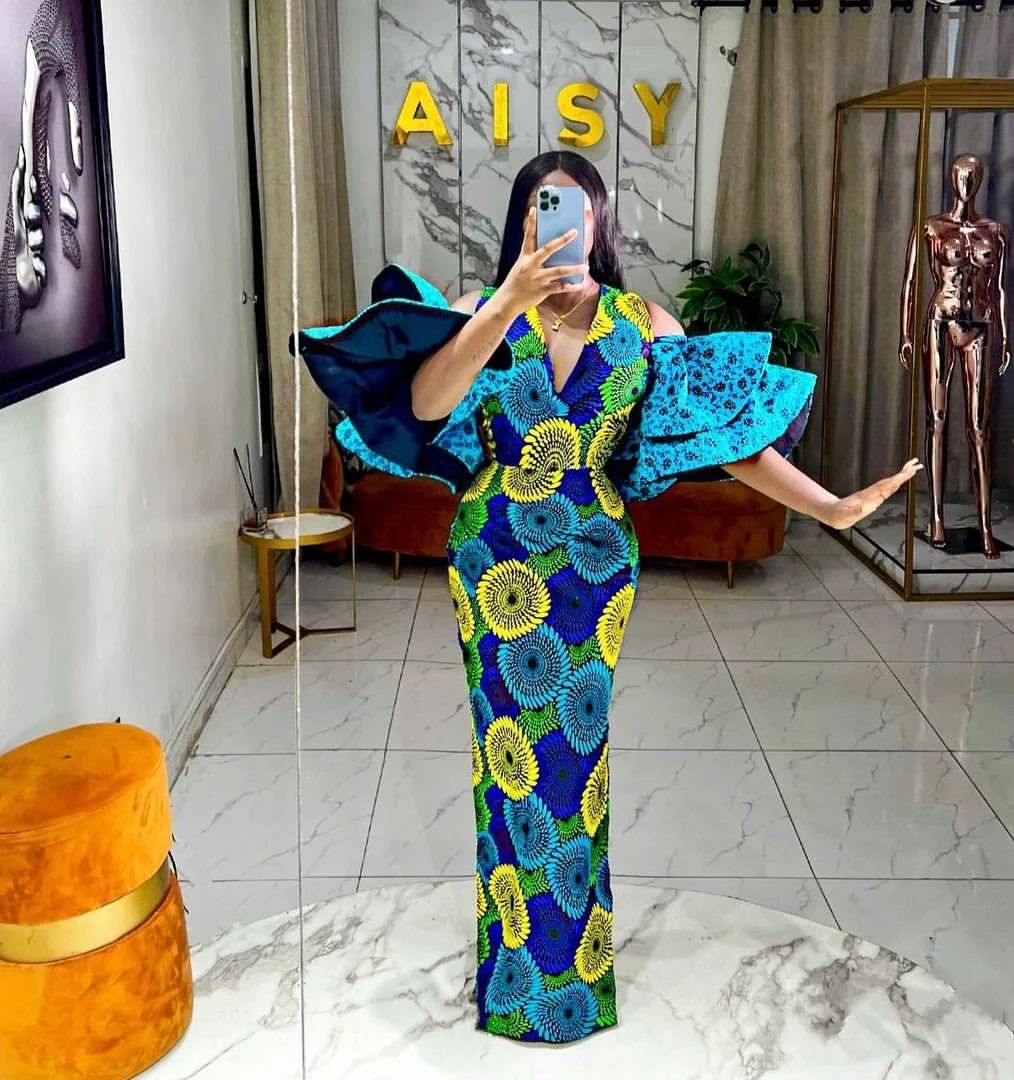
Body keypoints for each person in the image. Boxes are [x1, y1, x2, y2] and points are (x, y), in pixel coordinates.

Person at [298, 150, 922, 1045]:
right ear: (522, 222)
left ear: (599, 222)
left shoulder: (645, 324)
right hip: (495, 557)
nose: (559, 222)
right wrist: (507, 301)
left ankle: (573, 979)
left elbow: (722, 437)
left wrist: (826, 506)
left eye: (575, 208)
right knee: (505, 760)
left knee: (574, 764)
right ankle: (515, 975)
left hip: (593, 569)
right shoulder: (480, 310)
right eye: (541, 208)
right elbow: (430, 405)